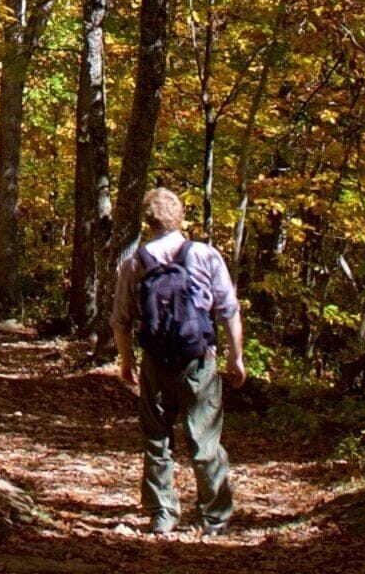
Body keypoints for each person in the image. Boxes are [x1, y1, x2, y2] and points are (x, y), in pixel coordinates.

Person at [109, 186, 242, 535]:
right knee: (205, 439)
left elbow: (120, 321)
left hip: (156, 360)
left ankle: (163, 514)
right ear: (180, 216)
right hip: (199, 359)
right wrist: (236, 357)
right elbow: (228, 309)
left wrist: (127, 362)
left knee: (157, 438)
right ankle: (214, 517)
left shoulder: (135, 262)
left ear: (148, 220)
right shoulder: (206, 255)